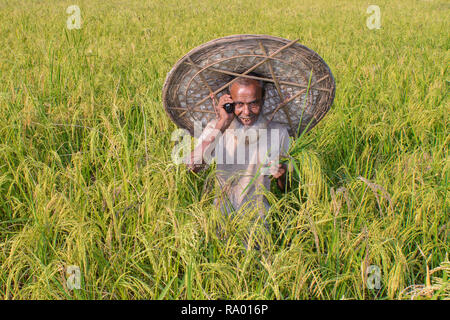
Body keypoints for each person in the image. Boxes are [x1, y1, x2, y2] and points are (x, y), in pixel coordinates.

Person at [185, 76, 291, 248]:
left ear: (263, 100)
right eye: (239, 104)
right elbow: (192, 167)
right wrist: (223, 122)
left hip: (258, 224)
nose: (247, 112)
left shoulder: (277, 132)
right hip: (221, 221)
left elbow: (286, 189)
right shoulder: (216, 128)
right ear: (229, 102)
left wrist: (282, 176)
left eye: (253, 104)